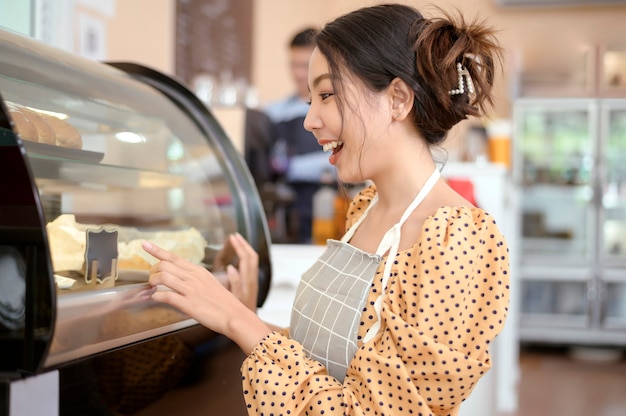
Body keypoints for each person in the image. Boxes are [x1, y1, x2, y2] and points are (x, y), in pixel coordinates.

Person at [142, 4, 511, 415]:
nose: (309, 121)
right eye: (309, 98)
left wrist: (235, 319)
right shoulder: (365, 208)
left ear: (397, 99)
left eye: (327, 95)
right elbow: (328, 363)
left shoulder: (457, 240)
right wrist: (248, 316)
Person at [264, 27, 331, 243]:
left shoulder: (334, 110)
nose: (298, 74)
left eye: (305, 66)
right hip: (286, 221)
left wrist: (292, 168)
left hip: (326, 215)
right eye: (293, 65)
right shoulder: (274, 112)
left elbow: (341, 162)